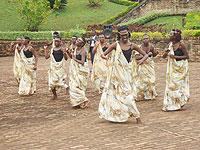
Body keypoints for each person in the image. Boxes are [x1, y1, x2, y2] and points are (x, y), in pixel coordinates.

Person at [99, 26, 150, 123]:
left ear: (128, 34)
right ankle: (117, 115)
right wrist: (108, 59)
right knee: (115, 94)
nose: (124, 37)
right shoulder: (115, 45)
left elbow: (146, 55)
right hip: (116, 74)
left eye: (125, 34)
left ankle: (137, 116)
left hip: (127, 74)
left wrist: (140, 62)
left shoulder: (133, 46)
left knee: (127, 94)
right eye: (122, 35)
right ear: (119, 35)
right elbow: (103, 54)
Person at [162, 29, 190, 111]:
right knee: (171, 85)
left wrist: (175, 57)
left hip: (181, 68)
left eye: (171, 34)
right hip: (172, 69)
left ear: (175, 37)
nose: (169, 36)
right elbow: (163, 57)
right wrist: (166, 52)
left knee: (179, 86)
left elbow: (187, 56)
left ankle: (180, 102)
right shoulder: (170, 45)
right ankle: (170, 103)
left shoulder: (181, 45)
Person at [66, 37, 89, 109]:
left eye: (79, 40)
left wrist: (74, 58)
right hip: (75, 70)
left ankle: (82, 99)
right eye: (77, 39)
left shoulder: (83, 51)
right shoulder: (75, 49)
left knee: (79, 86)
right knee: (73, 86)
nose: (77, 41)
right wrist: (68, 52)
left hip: (81, 70)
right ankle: (76, 102)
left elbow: (82, 62)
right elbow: (71, 57)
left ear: (82, 44)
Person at [136, 34, 158, 100]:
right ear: (142, 40)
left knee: (151, 79)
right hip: (142, 64)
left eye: (147, 38)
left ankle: (150, 93)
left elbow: (154, 54)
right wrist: (147, 55)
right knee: (143, 80)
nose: (146, 40)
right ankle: (142, 94)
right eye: (144, 39)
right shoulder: (139, 47)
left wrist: (155, 53)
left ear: (149, 39)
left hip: (149, 64)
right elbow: (137, 57)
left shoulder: (151, 46)